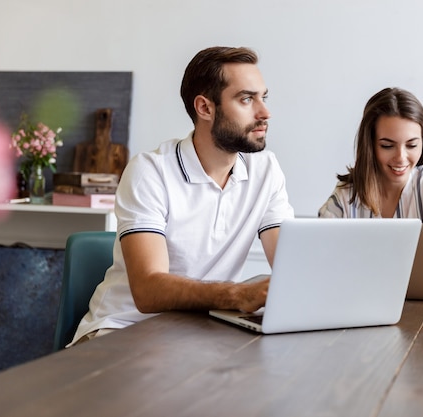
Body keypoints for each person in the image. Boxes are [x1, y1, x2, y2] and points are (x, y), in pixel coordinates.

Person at [70, 46, 294, 346]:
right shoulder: (150, 171)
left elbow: (290, 263)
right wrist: (238, 294)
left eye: (263, 98)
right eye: (246, 99)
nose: (264, 112)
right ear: (205, 108)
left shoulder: (266, 170)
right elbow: (149, 291)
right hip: (121, 330)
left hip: (201, 333)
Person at [318, 87, 423, 223]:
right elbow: (318, 245)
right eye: (387, 146)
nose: (400, 157)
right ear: (370, 144)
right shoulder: (346, 195)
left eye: (411, 145)